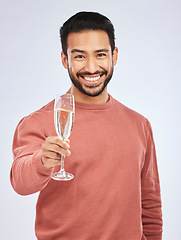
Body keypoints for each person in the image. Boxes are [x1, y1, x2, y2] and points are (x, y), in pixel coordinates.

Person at [10, 11, 163, 240]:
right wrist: (41, 161)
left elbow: (149, 202)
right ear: (65, 60)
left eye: (100, 54)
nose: (92, 68)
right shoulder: (39, 121)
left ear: (114, 55)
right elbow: (20, 182)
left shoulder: (140, 125)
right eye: (80, 56)